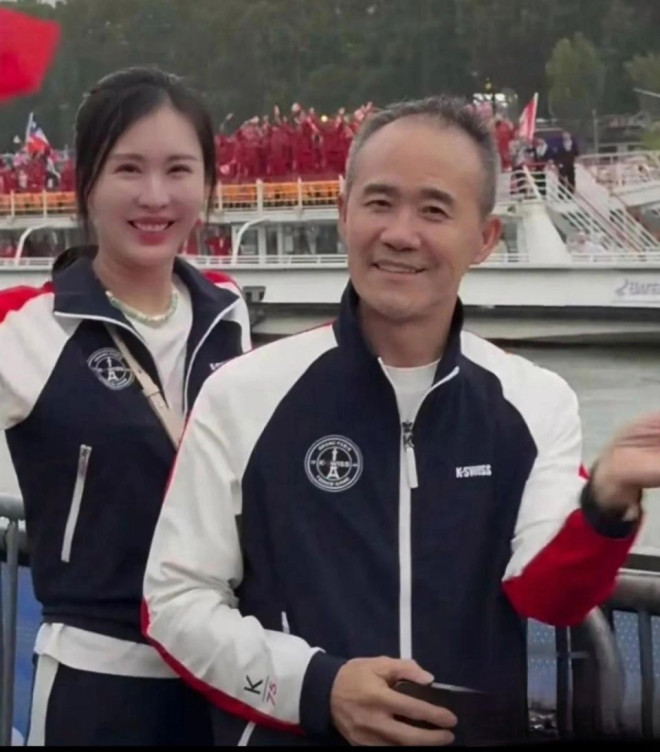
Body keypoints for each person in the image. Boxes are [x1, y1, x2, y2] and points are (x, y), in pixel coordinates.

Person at [143, 96, 645, 746]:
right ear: (344, 212)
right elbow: (175, 601)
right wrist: (318, 688)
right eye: (379, 203)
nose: (401, 234)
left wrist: (607, 501)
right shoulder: (242, 395)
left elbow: (547, 594)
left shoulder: (535, 401)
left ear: (485, 239)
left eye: (434, 210)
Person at [0, 66, 250, 745]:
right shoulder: (28, 329)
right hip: (98, 681)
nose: (155, 196)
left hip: (227, 673)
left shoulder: (227, 311)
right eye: (129, 169)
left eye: (179, 170)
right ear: (87, 182)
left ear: (207, 181)